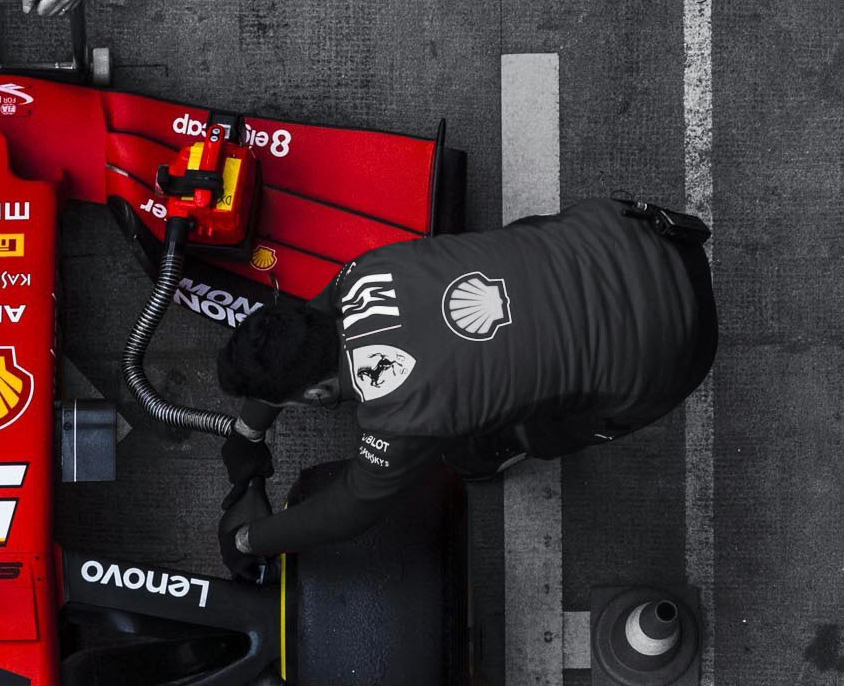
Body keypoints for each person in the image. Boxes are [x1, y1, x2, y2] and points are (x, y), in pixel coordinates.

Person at [214, 198, 717, 566]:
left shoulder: (400, 419)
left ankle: (503, 446)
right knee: (527, 239)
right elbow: (306, 319)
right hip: (642, 232)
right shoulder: (366, 271)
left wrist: (247, 541)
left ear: (319, 393)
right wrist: (247, 431)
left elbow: (348, 510)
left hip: (672, 349)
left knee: (482, 445)